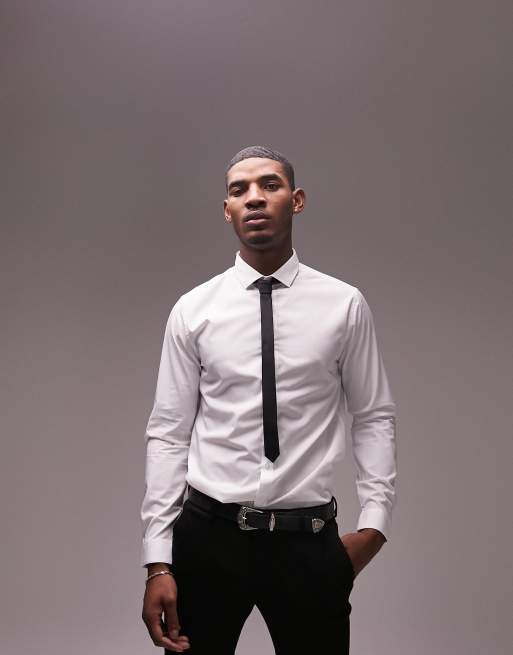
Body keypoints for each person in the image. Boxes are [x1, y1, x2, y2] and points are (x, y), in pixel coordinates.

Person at [140, 145, 397, 654]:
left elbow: (373, 416)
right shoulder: (194, 310)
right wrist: (158, 561)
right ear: (227, 210)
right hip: (208, 539)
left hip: (308, 541)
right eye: (240, 190)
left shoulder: (343, 305)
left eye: (269, 185)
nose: (254, 198)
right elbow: (168, 433)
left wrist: (374, 526)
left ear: (296, 200)